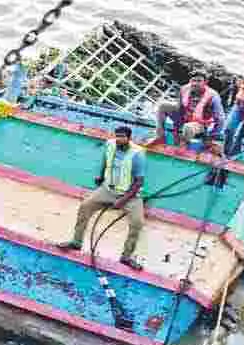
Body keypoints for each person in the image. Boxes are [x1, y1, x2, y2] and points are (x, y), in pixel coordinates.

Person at [63, 126, 147, 270]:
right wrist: (100, 176)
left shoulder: (137, 154)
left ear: (129, 138)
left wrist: (124, 200)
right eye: (117, 136)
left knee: (137, 223)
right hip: (107, 190)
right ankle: (76, 242)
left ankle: (126, 256)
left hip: (129, 195)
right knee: (85, 207)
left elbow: (139, 182)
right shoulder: (110, 145)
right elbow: (105, 162)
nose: (119, 139)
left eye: (123, 137)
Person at [148, 74, 224, 150]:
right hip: (185, 118)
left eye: (199, 81)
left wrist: (211, 136)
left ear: (205, 82)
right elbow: (180, 108)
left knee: (188, 127)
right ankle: (159, 137)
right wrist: (176, 130)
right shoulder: (184, 89)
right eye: (193, 80)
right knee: (162, 105)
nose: (195, 83)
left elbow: (220, 119)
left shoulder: (213, 96)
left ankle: (184, 144)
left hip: (200, 124)